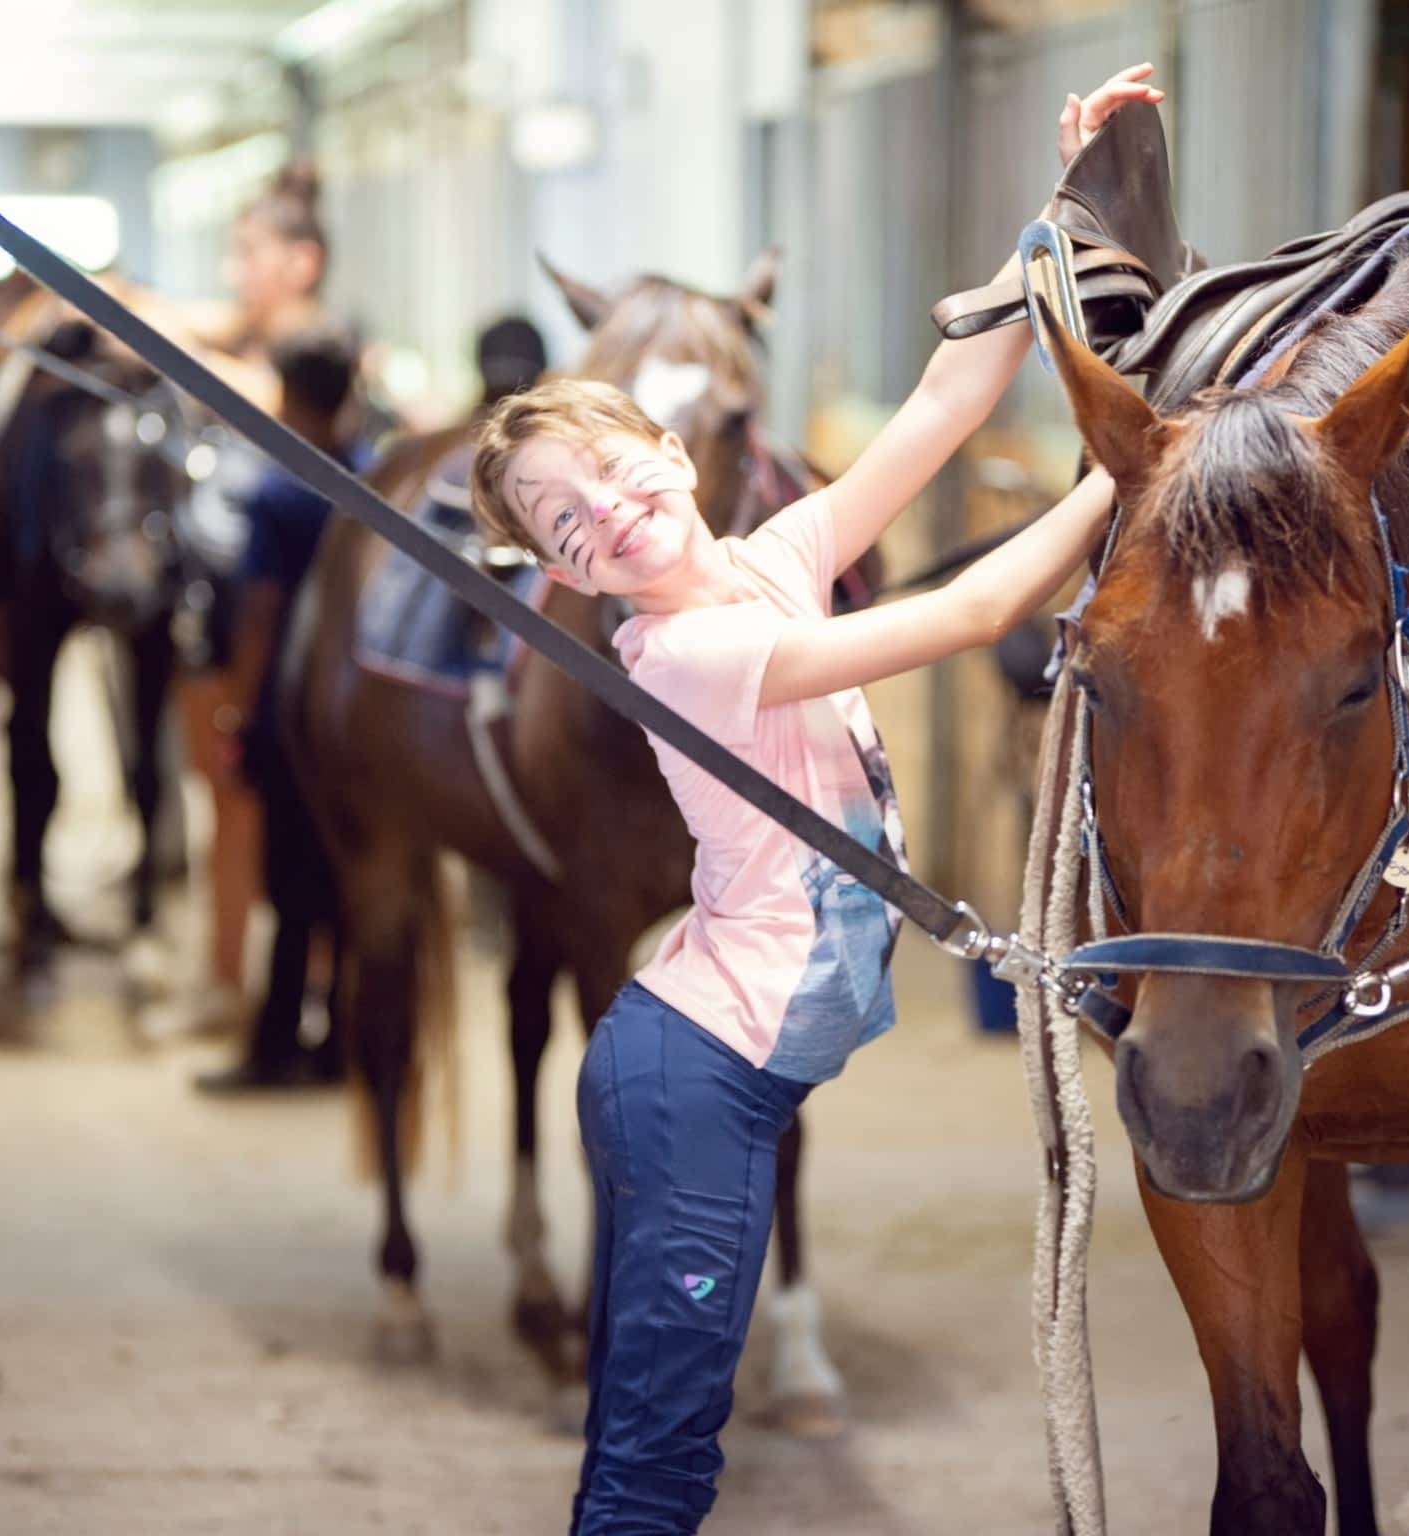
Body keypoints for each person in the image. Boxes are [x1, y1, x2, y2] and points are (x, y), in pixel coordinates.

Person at [467, 62, 1162, 1536]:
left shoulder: (771, 558)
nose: (603, 511)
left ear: (673, 449)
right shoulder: (692, 650)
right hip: (694, 1083)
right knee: (664, 1459)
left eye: (606, 468)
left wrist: (1065, 207)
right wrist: (1138, 463)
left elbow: (939, 400)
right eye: (562, 523)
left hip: (733, 1068)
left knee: (649, 1430)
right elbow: (974, 610)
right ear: (566, 578)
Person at [194, 322, 361, 1092]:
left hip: (292, 715)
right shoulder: (367, 476)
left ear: (289, 396)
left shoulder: (279, 489)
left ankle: (274, 1046)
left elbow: (259, 612)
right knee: (343, 885)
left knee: (289, 887)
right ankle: (340, 1042)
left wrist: (237, 709)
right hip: (355, 714)